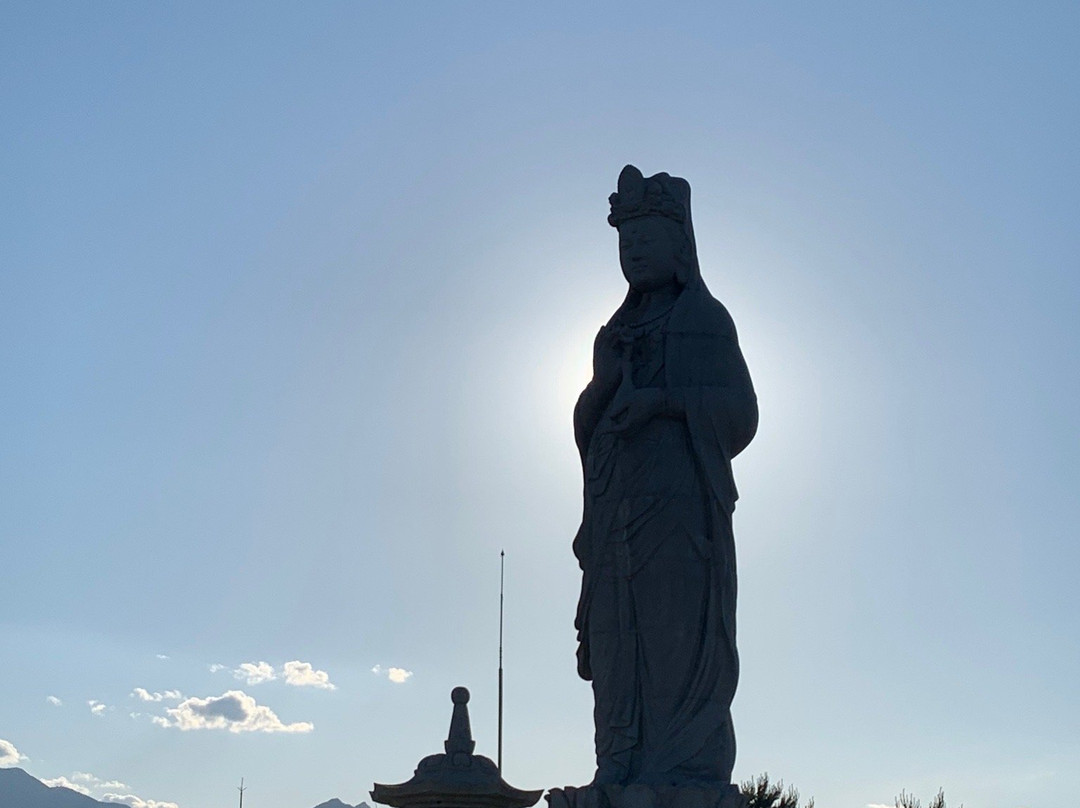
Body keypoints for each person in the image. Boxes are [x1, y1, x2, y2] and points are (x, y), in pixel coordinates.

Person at [572, 165, 758, 790]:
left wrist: (667, 402)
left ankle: (679, 772)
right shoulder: (616, 332)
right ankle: (617, 765)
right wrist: (605, 388)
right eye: (626, 246)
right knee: (617, 646)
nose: (633, 255)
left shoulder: (703, 321)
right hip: (615, 517)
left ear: (681, 246)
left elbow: (740, 414)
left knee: (673, 650)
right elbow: (590, 426)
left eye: (645, 242)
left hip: (678, 518)